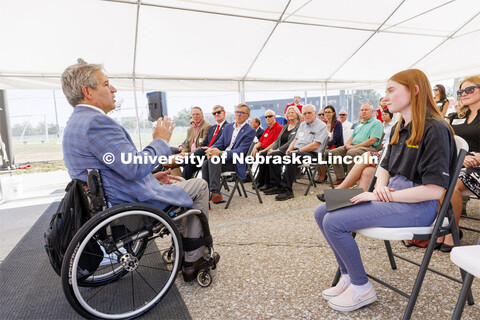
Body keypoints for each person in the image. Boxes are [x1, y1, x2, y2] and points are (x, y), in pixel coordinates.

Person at [61, 59, 218, 282]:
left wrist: (151, 177)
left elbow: (114, 169)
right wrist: (160, 142)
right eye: (106, 84)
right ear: (88, 91)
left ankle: (183, 238)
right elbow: (133, 167)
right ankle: (193, 258)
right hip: (127, 211)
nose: (113, 89)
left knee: (176, 183)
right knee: (200, 186)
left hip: (107, 204)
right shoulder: (97, 123)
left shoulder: (75, 123)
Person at [314, 68, 456, 312]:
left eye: (391, 90)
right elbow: (384, 168)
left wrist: (385, 194)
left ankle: (362, 289)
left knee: (333, 222)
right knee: (321, 211)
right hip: (392, 196)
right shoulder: (400, 126)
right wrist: (379, 188)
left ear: (414, 90)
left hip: (418, 206)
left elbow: (433, 191)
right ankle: (348, 278)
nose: (386, 97)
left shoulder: (436, 129)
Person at [438, 76, 480, 252]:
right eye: (461, 91)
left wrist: (477, 157)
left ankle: (453, 231)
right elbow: (444, 142)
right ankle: (444, 226)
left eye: (469, 89)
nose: (464, 94)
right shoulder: (456, 116)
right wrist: (459, 157)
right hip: (458, 161)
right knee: (434, 180)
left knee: (449, 184)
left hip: (477, 165)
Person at [263, 104, 328, 201]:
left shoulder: (321, 126)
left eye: (309, 113)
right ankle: (276, 185)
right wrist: (289, 149)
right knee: (273, 155)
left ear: (315, 113)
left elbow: (315, 145)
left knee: (292, 156)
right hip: (297, 151)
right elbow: (295, 139)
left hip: (312, 153)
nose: (307, 115)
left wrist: (296, 151)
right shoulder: (302, 125)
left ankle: (287, 190)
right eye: (305, 113)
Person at [202, 103, 256, 204]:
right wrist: (211, 149)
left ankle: (213, 192)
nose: (238, 114)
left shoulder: (250, 131)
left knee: (213, 159)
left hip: (235, 161)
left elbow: (240, 151)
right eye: (237, 112)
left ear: (247, 116)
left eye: (241, 112)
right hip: (222, 160)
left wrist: (220, 153)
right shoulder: (228, 127)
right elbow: (219, 143)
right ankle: (206, 194)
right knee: (206, 162)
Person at [328, 103, 384, 185]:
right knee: (333, 152)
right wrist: (348, 144)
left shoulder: (376, 123)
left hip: (369, 148)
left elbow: (372, 140)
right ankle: (341, 178)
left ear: (372, 111)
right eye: (362, 110)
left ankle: (351, 181)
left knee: (352, 152)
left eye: (366, 110)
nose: (363, 112)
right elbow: (352, 137)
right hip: (355, 146)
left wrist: (353, 147)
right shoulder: (359, 124)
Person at [254, 108, 298, 190]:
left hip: (288, 150)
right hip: (276, 149)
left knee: (267, 155)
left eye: (269, 116)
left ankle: (269, 182)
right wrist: (256, 148)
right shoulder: (284, 127)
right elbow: (277, 140)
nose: (267, 118)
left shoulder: (280, 127)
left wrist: (274, 150)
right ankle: (260, 180)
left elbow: (291, 142)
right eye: (266, 117)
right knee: (265, 154)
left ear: (274, 117)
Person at [181, 105, 228, 180]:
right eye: (214, 113)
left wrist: (210, 148)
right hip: (203, 155)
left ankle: (184, 160)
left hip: (214, 155)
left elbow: (225, 144)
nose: (216, 114)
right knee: (189, 164)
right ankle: (182, 185)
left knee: (198, 153)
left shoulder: (228, 127)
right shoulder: (212, 128)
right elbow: (204, 143)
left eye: (218, 112)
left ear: (224, 113)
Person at [317, 105, 343, 183]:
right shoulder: (323, 124)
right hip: (325, 147)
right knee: (317, 153)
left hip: (335, 146)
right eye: (325, 112)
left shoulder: (337, 123)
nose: (327, 114)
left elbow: (336, 138)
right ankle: (321, 174)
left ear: (333, 113)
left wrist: (327, 146)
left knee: (322, 153)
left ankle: (338, 177)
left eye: (329, 112)